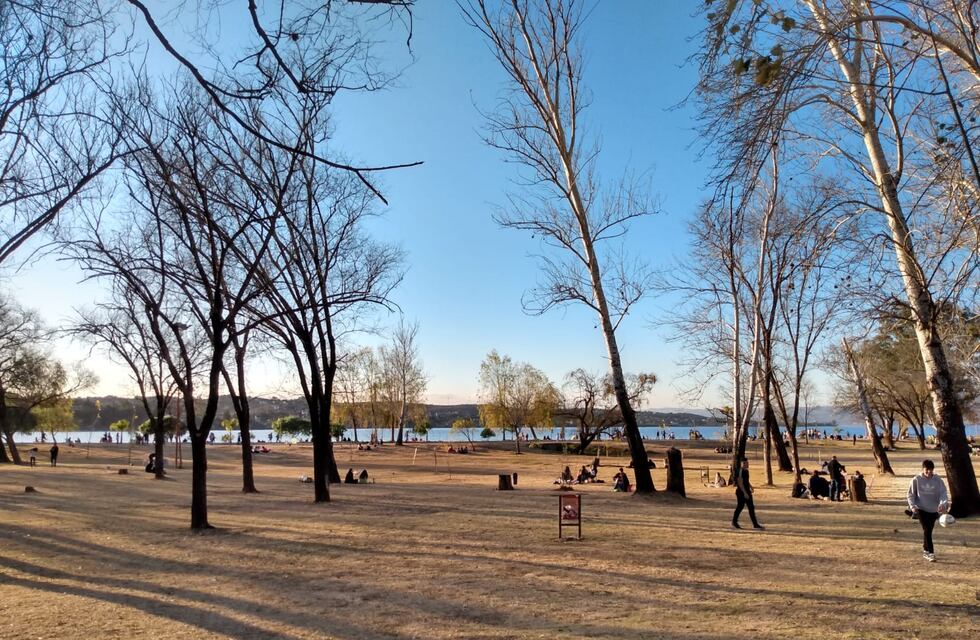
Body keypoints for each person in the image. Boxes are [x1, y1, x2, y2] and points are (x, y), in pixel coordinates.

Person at [907, 459, 950, 562]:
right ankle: (931, 553)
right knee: (927, 530)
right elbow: (910, 495)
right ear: (923, 469)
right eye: (927, 470)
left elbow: (943, 494)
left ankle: (925, 550)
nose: (929, 472)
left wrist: (942, 504)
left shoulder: (938, 480)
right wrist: (912, 506)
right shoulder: (916, 480)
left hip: (933, 510)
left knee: (928, 530)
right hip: (920, 509)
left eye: (931, 470)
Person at [731, 459, 764, 530]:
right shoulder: (740, 471)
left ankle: (755, 524)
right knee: (740, 507)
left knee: (751, 507)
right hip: (741, 492)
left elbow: (746, 481)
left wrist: (750, 486)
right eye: (745, 463)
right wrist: (745, 493)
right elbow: (740, 482)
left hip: (747, 491)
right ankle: (734, 522)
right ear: (742, 464)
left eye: (747, 463)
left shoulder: (746, 471)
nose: (747, 464)